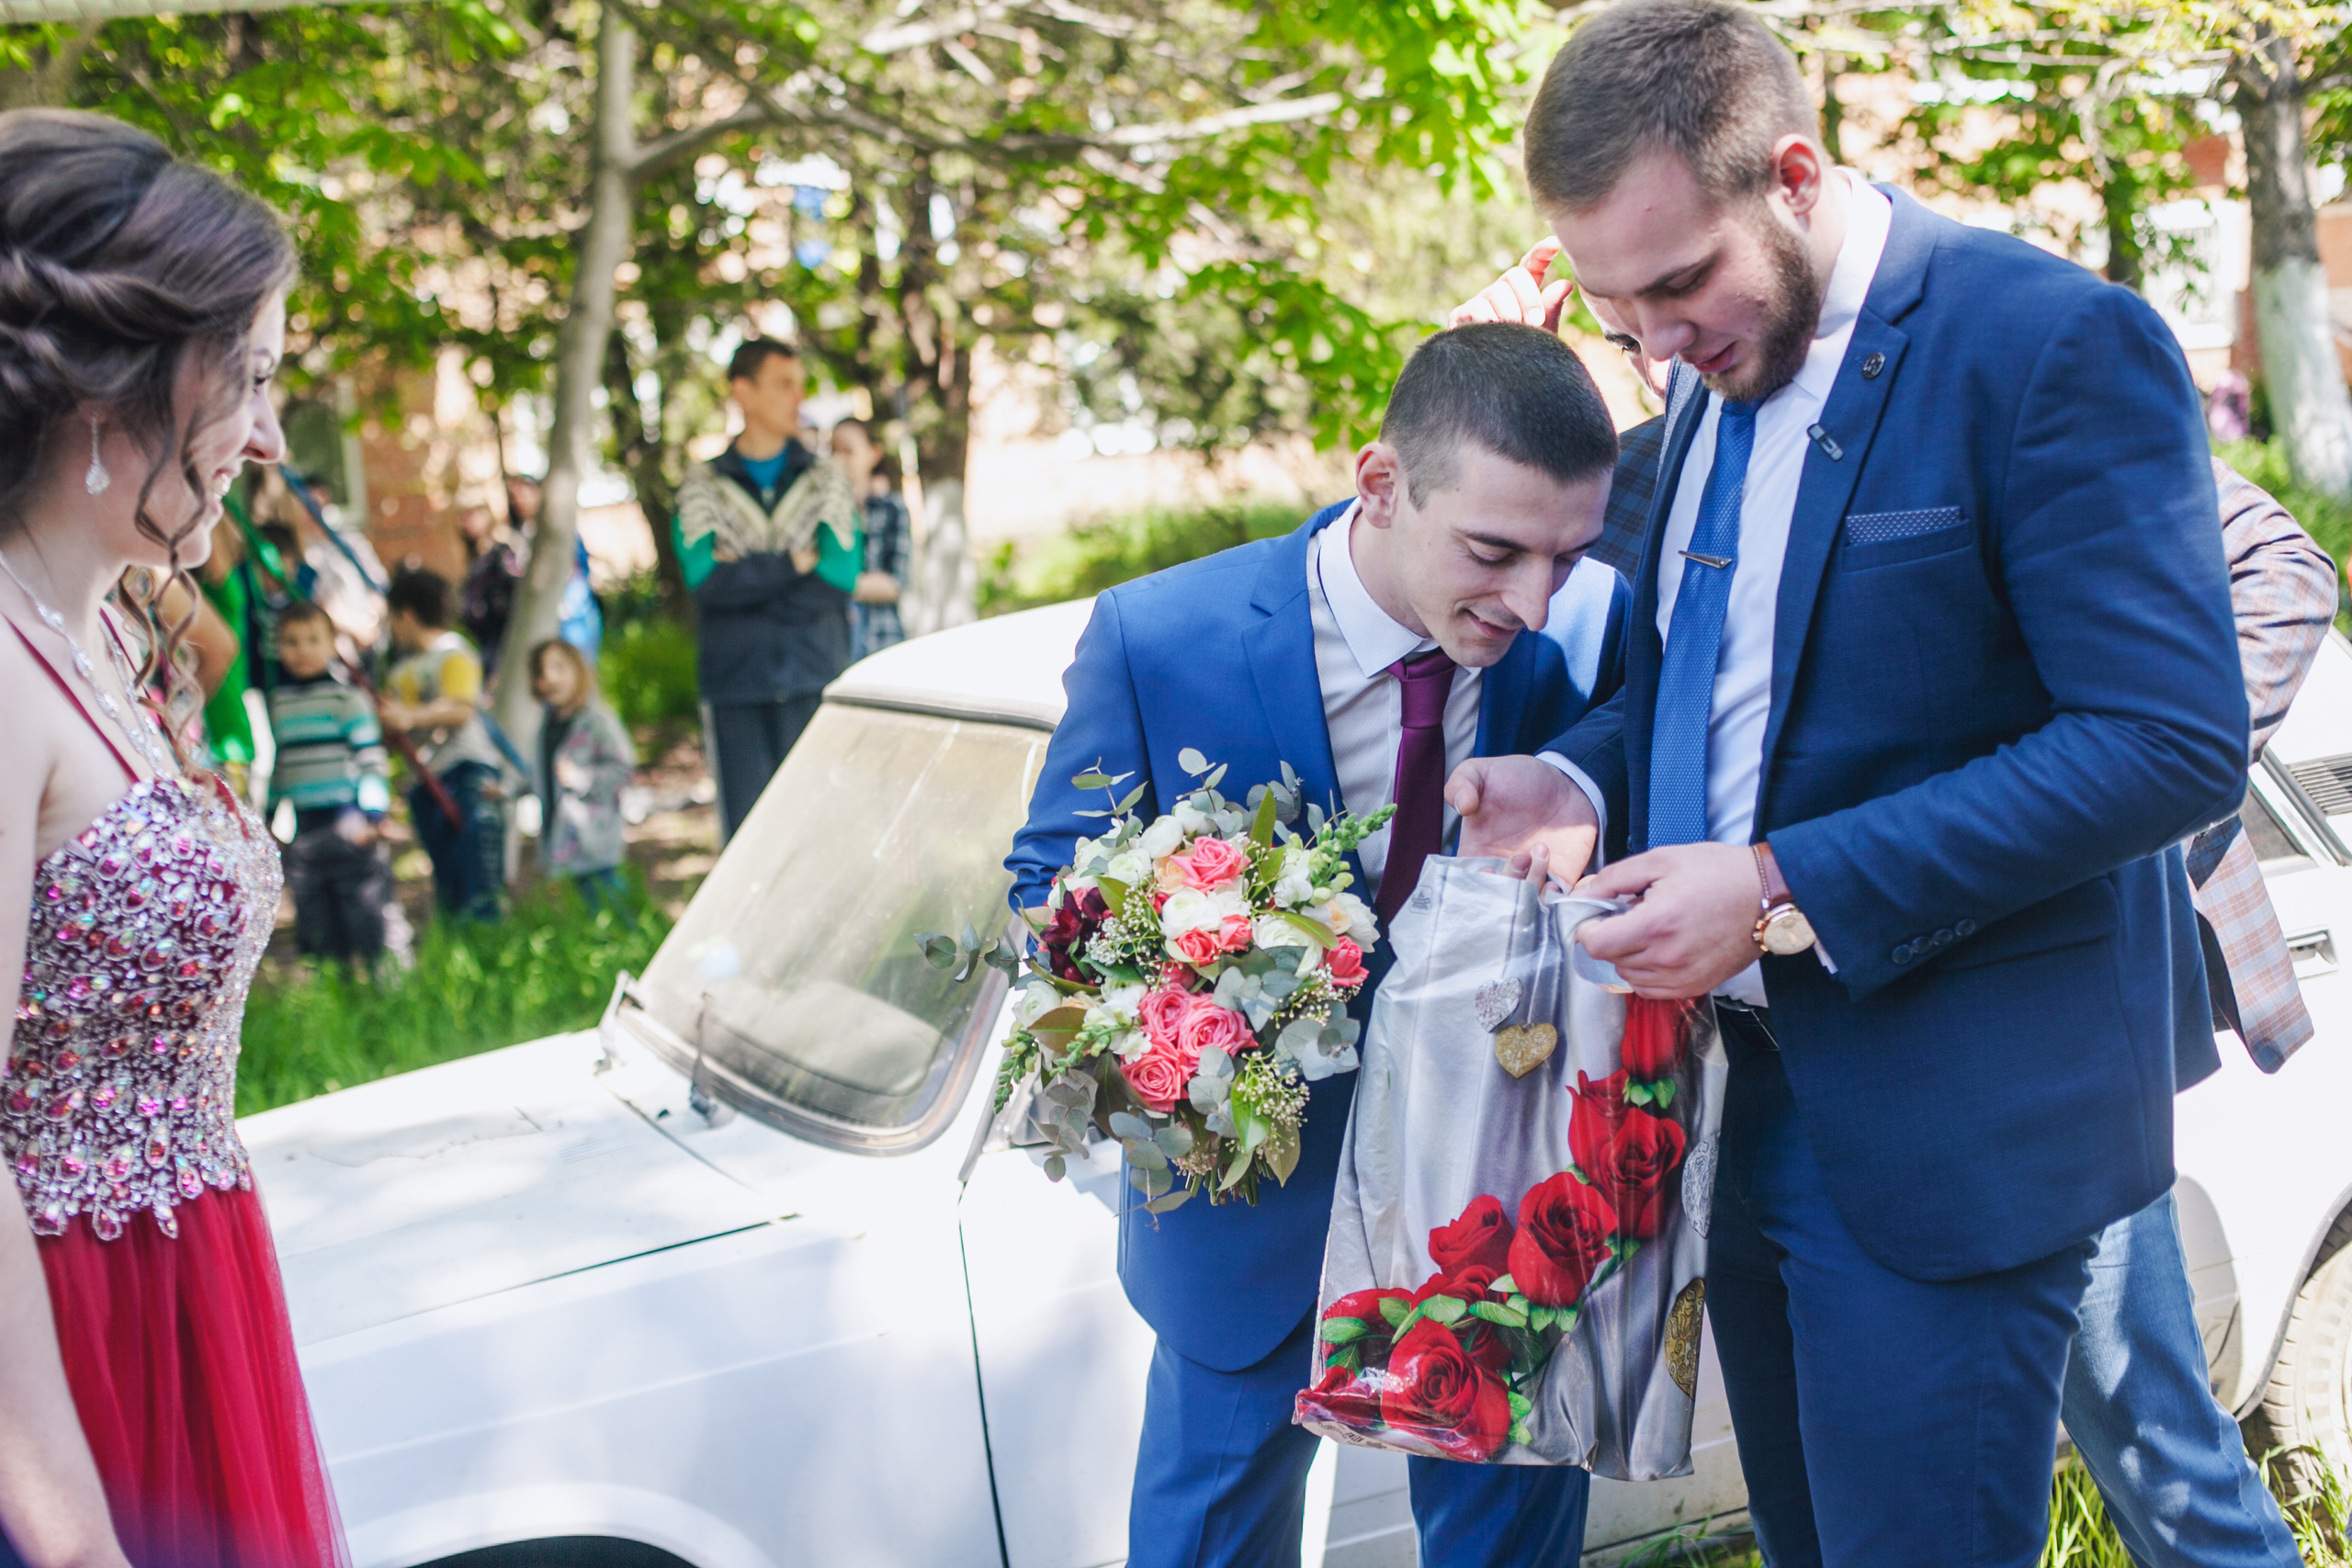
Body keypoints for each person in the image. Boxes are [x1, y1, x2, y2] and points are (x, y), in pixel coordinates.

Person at [1445, 6, 2248, 1564]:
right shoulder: (1698, 384)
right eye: (1620, 311)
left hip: (1950, 1130)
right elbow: (1707, 694)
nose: (1658, 344)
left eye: (1680, 286)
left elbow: (2166, 738)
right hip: (1743, 1110)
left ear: (1796, 175)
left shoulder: (2046, 345)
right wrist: (1575, 779)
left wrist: (1776, 884)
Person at [1008, 322, 1627, 1568]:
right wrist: (1204, 970)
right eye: (1495, 551)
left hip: (1488, 1198)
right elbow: (1048, 887)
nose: (1531, 601)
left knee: (1509, 1546)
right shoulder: (1156, 633)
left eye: (1565, 556)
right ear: (1381, 485)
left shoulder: (1563, 662)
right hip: (1249, 1208)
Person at [0, 107, 347, 1565]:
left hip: (190, 1279)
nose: (265, 434)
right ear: (118, 388)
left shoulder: (105, 635)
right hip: (82, 1346)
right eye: (249, 378)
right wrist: (71, 1526)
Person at [672, 337, 862, 841]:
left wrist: (749, 578)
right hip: (738, 685)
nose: (798, 398)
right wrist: (793, 563)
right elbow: (704, 579)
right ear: (744, 392)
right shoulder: (701, 484)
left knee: (825, 831)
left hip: (814, 677)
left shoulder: (828, 480)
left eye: (801, 386)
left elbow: (839, 577)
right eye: (783, 385)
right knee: (752, 840)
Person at [266, 599, 395, 969]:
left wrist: (373, 814)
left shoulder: (348, 700)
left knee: (365, 910)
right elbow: (281, 765)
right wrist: (269, 817)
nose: (302, 650)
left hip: (349, 820)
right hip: (304, 828)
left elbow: (371, 760)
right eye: (291, 641)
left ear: (331, 644)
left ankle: (382, 982)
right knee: (315, 916)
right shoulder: (279, 703)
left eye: (312, 640)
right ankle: (334, 988)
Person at [379, 566, 507, 923]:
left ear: (406, 614)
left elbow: (461, 708)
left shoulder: (455, 653)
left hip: (466, 771)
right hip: (425, 781)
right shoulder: (399, 670)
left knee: (475, 869)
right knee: (447, 870)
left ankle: (487, 937)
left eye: (391, 618)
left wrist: (410, 717)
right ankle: (460, 939)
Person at [526, 636, 638, 920]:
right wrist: (507, 789)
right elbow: (541, 778)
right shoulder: (545, 729)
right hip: (560, 843)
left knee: (613, 910)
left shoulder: (597, 721)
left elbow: (623, 770)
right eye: (541, 672)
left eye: (559, 668)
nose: (549, 678)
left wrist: (582, 778)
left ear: (578, 671)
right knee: (580, 918)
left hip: (594, 844)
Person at [830, 417, 911, 659]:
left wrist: (833, 581)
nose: (838, 460)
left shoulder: (891, 508)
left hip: (880, 640)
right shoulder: (821, 512)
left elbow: (894, 583)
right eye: (833, 451)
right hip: (831, 643)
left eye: (848, 451)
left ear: (873, 454)